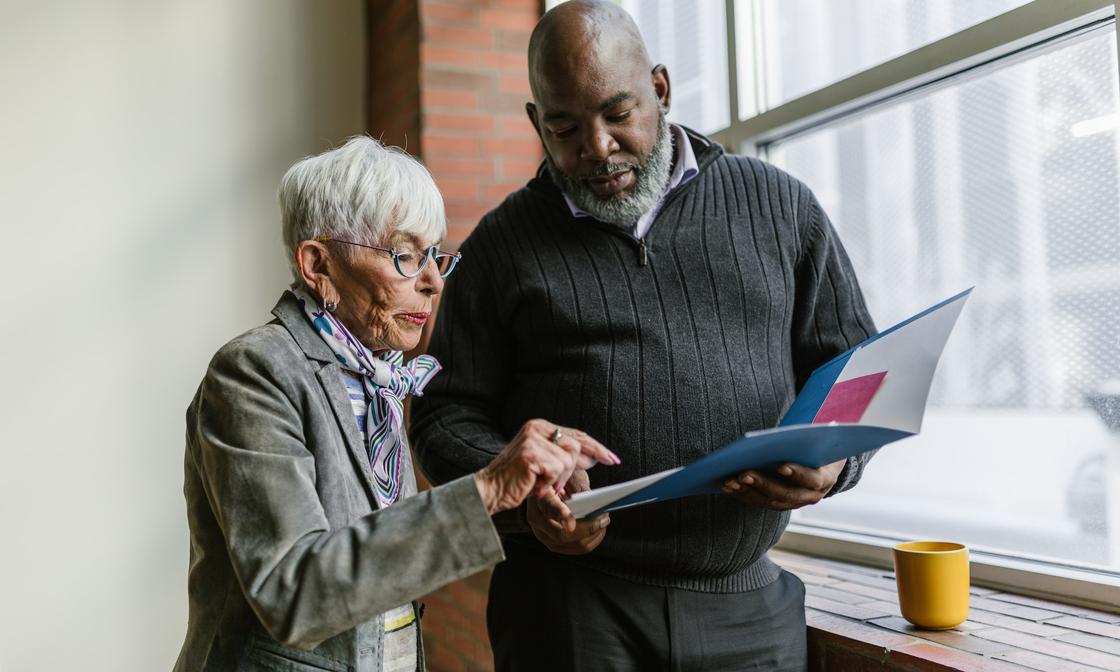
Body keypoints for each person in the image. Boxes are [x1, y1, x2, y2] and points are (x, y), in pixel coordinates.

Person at [410, 2, 878, 670]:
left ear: (659, 89)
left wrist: (835, 465)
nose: (596, 148)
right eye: (565, 127)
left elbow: (856, 370)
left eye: (617, 114)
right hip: (568, 612)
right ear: (535, 122)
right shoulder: (500, 249)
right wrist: (527, 495)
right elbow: (439, 414)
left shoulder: (781, 207)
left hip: (747, 610)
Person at [174, 136, 618, 672]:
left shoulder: (373, 372)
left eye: (434, 257)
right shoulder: (254, 372)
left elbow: (379, 540)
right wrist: (489, 488)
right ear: (318, 264)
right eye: (405, 255)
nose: (432, 282)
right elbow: (294, 593)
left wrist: (526, 504)